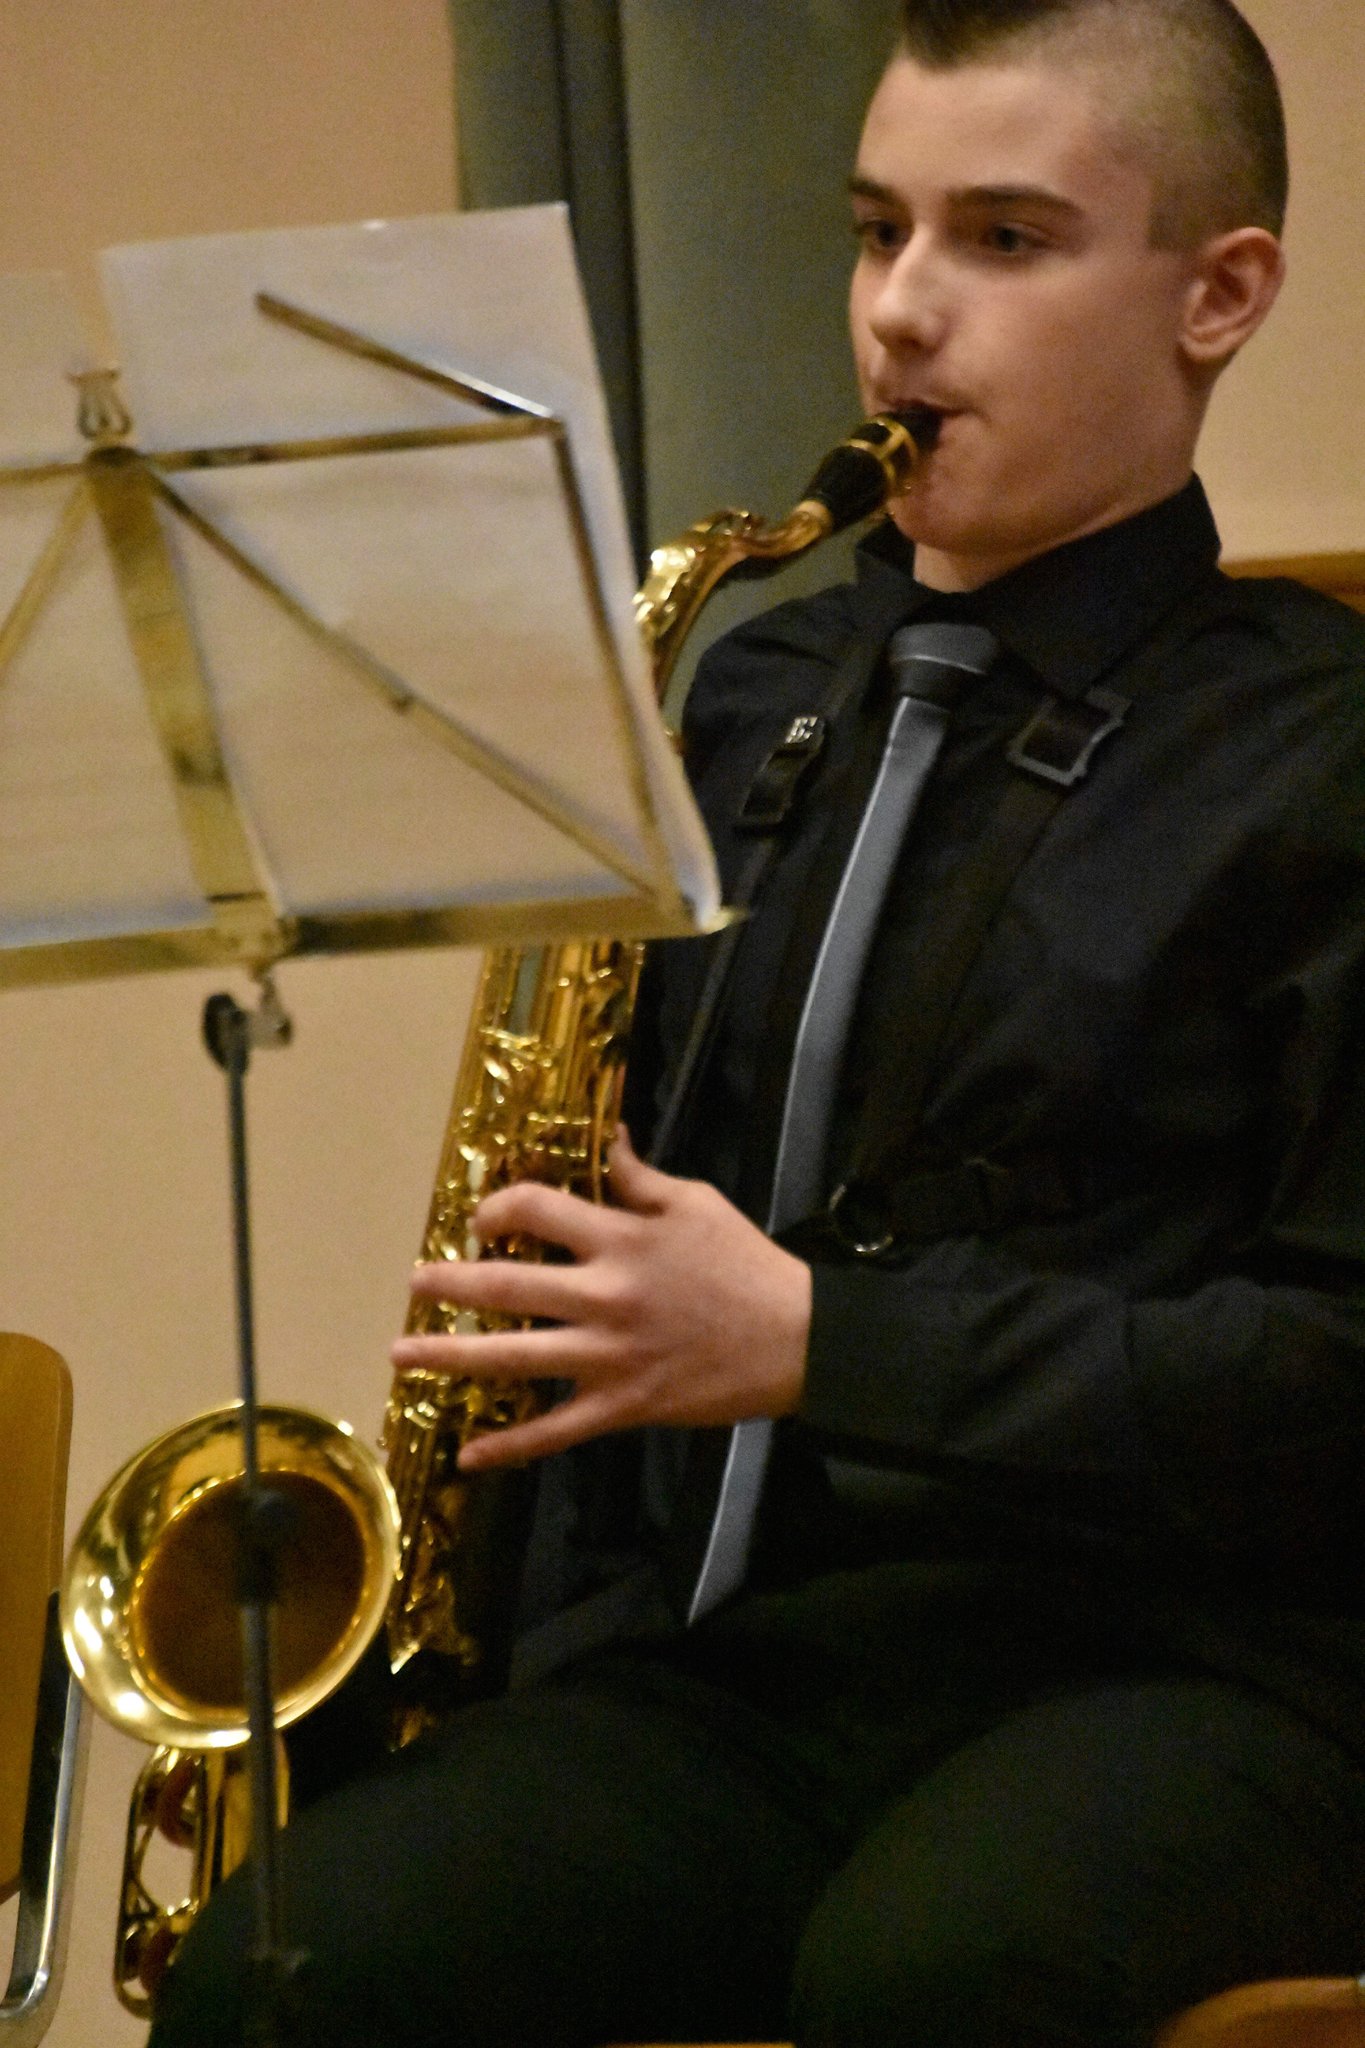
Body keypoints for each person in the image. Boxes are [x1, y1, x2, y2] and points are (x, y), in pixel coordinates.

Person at [150, 2, 1365, 2044]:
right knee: (294, 1969)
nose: (898, 312)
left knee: (934, 1975)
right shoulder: (749, 692)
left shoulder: (1319, 750)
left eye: (1002, 239)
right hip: (756, 1676)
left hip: (1195, 1671)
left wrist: (823, 1341)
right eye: (877, 230)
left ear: (1217, 294)